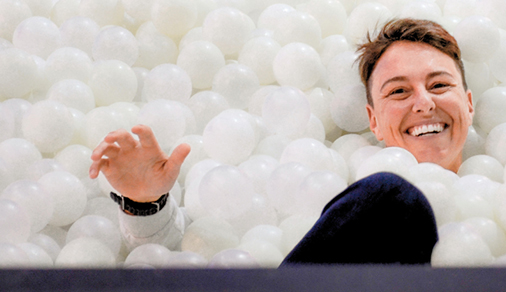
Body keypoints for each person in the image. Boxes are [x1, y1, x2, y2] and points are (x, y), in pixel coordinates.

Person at [89, 18, 474, 265]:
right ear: (373, 121)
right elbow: (205, 252)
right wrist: (146, 204)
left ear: (469, 104)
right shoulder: (325, 183)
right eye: (399, 92)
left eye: (439, 85)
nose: (424, 103)